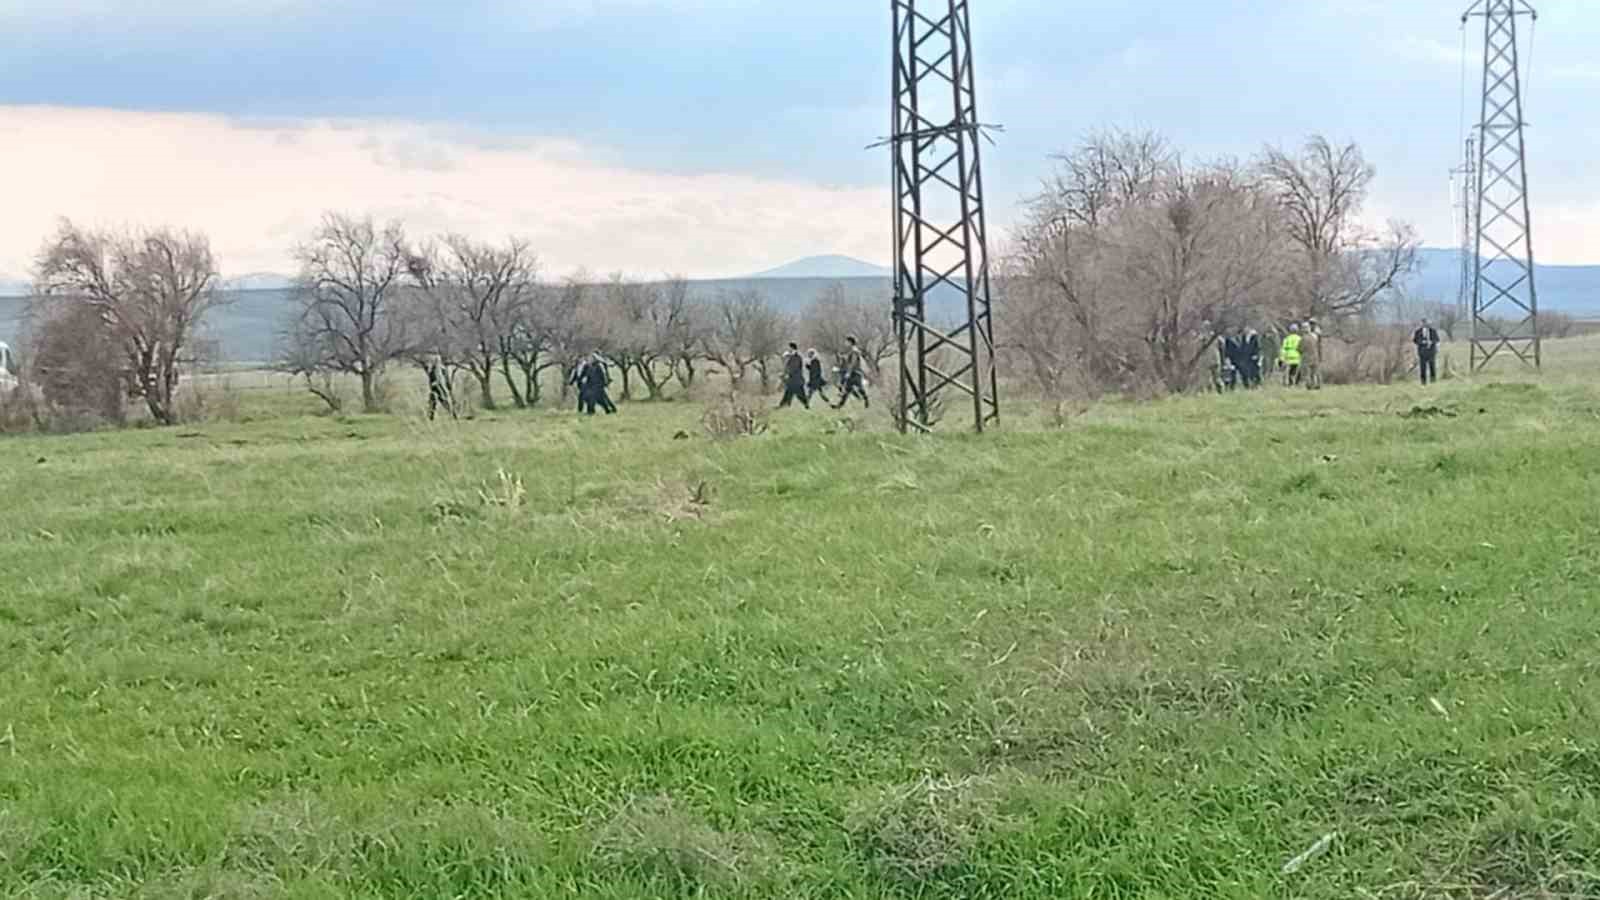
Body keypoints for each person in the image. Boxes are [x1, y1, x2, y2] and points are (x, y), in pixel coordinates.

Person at [834, 335, 870, 409]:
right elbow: (848, 361)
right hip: (852, 373)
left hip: (855, 373)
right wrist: (842, 358)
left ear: (850, 342)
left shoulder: (854, 351)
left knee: (860, 388)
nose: (845, 343)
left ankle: (866, 400)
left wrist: (848, 372)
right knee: (847, 390)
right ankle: (839, 406)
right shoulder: (851, 351)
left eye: (846, 341)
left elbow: (852, 363)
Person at [778, 342, 810, 409]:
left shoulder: (796, 356)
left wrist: (785, 374)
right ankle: (783, 405)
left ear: (792, 348)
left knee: (796, 393)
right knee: (792, 392)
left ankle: (783, 405)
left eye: (789, 347)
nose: (788, 349)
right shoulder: (793, 356)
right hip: (795, 379)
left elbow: (793, 367)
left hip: (795, 379)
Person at [425, 353, 455, 421]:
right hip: (435, 388)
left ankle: (453, 415)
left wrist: (447, 386)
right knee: (433, 402)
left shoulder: (440, 368)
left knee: (444, 401)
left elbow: (443, 378)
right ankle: (431, 417)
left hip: (440, 387)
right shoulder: (433, 368)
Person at [1413, 318, 1441, 385]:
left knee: (1432, 367)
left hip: (1431, 352)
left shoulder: (1433, 331)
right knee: (1422, 368)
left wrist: (1431, 342)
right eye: (1423, 323)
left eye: (1426, 323)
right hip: (1422, 352)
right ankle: (1423, 382)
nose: (1424, 324)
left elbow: (1437, 339)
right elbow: (1415, 340)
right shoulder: (1418, 331)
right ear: (1421, 324)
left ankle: (1433, 381)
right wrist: (1422, 342)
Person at [1300, 320, 1323, 391]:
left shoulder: (1304, 338)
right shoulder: (1315, 336)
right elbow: (1319, 346)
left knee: (1307, 373)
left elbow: (1300, 348)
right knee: (1315, 372)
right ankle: (1318, 384)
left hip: (1307, 357)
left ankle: (1309, 386)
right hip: (1315, 356)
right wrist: (1320, 356)